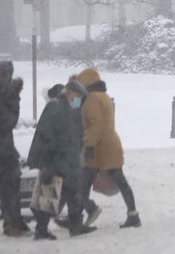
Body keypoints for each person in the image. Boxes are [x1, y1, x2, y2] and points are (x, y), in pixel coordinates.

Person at [75, 65, 139, 229]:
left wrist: (88, 146)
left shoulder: (92, 99)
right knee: (121, 182)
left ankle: (78, 217)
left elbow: (95, 125)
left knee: (82, 185)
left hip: (97, 149)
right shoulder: (104, 96)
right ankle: (133, 215)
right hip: (110, 146)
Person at [26, 79, 90, 238]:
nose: (78, 101)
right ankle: (41, 230)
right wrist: (45, 162)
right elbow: (45, 135)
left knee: (73, 192)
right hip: (56, 160)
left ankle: (75, 225)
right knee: (49, 192)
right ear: (70, 92)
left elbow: (75, 132)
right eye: (78, 96)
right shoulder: (55, 107)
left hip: (69, 160)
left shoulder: (70, 109)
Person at [0, 62, 27, 237]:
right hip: (4, 150)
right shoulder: (5, 93)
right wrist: (14, 97)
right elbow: (7, 122)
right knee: (11, 186)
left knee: (7, 187)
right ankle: (13, 223)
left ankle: (13, 221)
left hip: (5, 148)